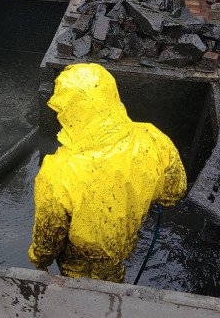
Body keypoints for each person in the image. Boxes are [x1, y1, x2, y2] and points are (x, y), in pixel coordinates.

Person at [28, 63, 187, 283]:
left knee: (77, 283)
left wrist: (40, 260)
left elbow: (49, 232)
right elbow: (174, 191)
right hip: (122, 241)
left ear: (70, 112)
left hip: (78, 253)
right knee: (111, 277)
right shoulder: (153, 138)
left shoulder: (58, 172)